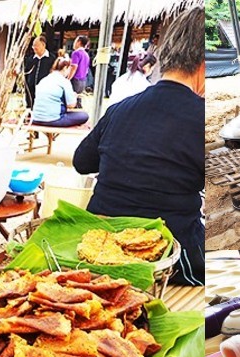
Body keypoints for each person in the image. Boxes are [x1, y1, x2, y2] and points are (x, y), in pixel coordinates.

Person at [73, 7, 204, 286]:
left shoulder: (119, 109)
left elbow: (81, 162)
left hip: (98, 244)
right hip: (165, 255)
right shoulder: (200, 116)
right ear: (203, 64)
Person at [32, 58, 89, 128]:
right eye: (69, 69)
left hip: (36, 118)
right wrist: (74, 97)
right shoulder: (64, 81)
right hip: (53, 119)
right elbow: (71, 105)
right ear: (65, 68)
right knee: (84, 115)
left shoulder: (44, 80)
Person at [24, 35, 53, 109]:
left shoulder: (52, 59)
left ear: (43, 45)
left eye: (36, 45)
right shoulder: (30, 59)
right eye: (33, 46)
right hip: (31, 90)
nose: (34, 48)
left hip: (45, 91)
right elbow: (26, 73)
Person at [68, 35, 90, 107]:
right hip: (83, 80)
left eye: (75, 41)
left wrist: (68, 78)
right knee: (78, 100)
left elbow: (74, 67)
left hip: (75, 79)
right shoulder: (86, 54)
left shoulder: (76, 53)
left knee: (72, 100)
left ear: (79, 42)